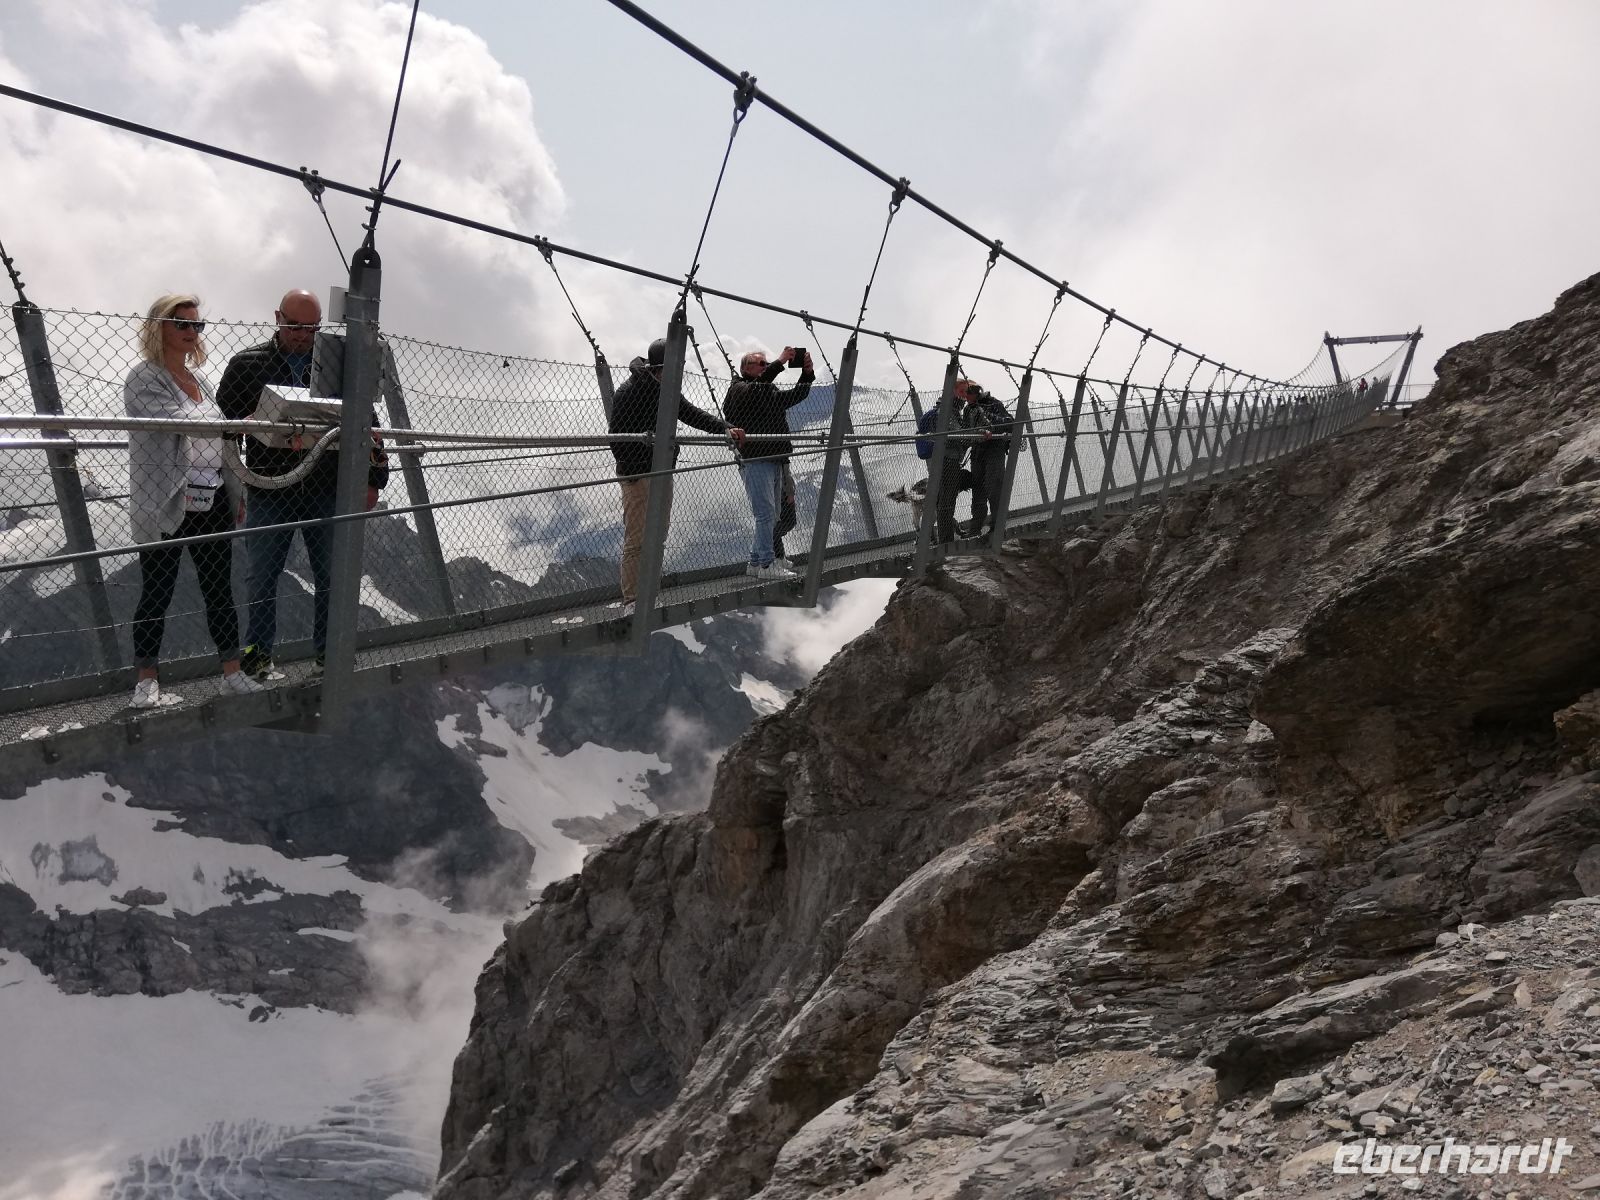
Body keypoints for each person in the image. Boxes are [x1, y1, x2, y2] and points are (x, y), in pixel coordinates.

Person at [217, 289, 389, 680]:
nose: (302, 335)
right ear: (278, 318)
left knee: (332, 573)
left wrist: (374, 478)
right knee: (261, 573)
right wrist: (249, 429)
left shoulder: (335, 365)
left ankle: (330, 655)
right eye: (295, 326)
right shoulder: (246, 366)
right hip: (269, 485)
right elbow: (222, 427)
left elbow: (368, 423)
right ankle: (258, 654)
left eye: (310, 328)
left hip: (325, 486)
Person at [124, 294, 265, 708]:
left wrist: (234, 482)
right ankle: (146, 681)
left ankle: (231, 673)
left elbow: (217, 433)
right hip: (167, 498)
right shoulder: (143, 378)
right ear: (159, 327)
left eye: (196, 325)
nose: (190, 332)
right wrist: (240, 423)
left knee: (219, 588)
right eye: (181, 323)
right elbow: (181, 421)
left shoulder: (199, 380)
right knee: (157, 590)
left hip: (213, 493)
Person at [608, 337, 745, 615]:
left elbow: (691, 413)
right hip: (638, 475)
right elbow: (617, 443)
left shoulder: (664, 389)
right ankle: (633, 601)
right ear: (660, 368)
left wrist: (725, 427)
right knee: (638, 538)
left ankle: (649, 595)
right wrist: (651, 450)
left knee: (657, 535)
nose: (678, 375)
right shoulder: (630, 393)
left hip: (661, 471)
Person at [722, 347, 815, 578]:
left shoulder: (766, 390)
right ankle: (766, 564)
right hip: (756, 460)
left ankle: (755, 563)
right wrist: (780, 361)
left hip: (772, 459)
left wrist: (807, 374)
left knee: (771, 515)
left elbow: (795, 396)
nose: (766, 366)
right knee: (764, 514)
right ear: (746, 369)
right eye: (761, 364)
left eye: (766, 364)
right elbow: (755, 392)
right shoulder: (739, 390)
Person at [958, 381, 1013, 538]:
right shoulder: (969, 409)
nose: (965, 399)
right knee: (978, 490)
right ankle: (975, 528)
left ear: (974, 394)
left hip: (994, 450)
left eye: (966, 396)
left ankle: (997, 527)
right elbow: (966, 429)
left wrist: (989, 422)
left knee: (994, 488)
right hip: (978, 451)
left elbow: (1008, 422)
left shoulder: (992, 404)